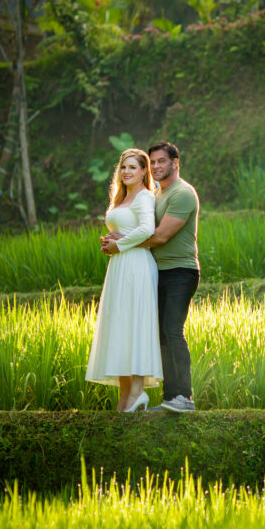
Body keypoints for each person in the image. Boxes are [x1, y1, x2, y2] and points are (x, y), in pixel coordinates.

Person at [103, 141, 200, 413]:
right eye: (153, 162)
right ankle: (171, 397)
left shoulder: (182, 193)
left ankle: (184, 397)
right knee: (159, 334)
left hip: (180, 270)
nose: (157, 166)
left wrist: (121, 242)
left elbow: (159, 235)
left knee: (172, 330)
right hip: (158, 270)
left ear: (175, 163)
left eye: (161, 162)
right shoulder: (156, 194)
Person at [86, 148, 163, 412]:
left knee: (136, 324)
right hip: (119, 267)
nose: (127, 172)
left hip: (137, 266)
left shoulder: (144, 196)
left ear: (144, 171)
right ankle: (125, 396)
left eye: (133, 167)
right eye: (123, 167)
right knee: (120, 325)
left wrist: (120, 245)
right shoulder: (120, 198)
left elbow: (147, 229)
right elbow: (125, 230)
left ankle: (138, 393)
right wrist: (109, 241)